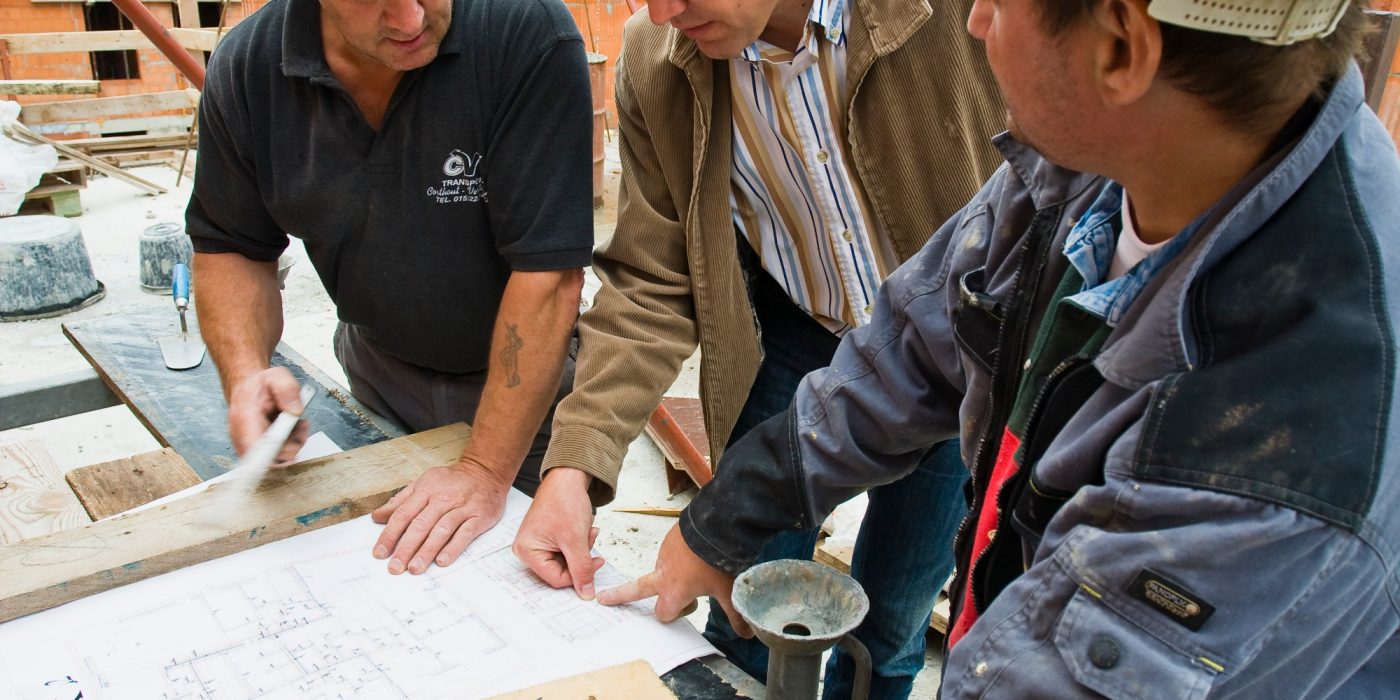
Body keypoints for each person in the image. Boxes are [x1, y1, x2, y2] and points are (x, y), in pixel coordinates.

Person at [600, 0, 1400, 696]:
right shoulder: (1099, 157)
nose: (974, 22)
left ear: (1121, 47)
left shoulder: (1280, 434)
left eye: (997, 0)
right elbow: (918, 337)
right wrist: (727, 518)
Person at [511, 0, 1006, 695]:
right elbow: (654, 281)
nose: (663, 9)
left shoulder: (959, 18)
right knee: (745, 598)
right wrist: (573, 466)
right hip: (799, 331)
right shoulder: (657, 57)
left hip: (963, 360)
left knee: (891, 620)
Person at [186, 0, 594, 576]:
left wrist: (483, 470)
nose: (411, 20)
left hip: (526, 386)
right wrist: (247, 371)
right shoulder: (248, 67)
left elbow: (548, 274)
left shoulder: (523, 31)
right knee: (389, 577)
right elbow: (231, 244)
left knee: (510, 576)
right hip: (378, 370)